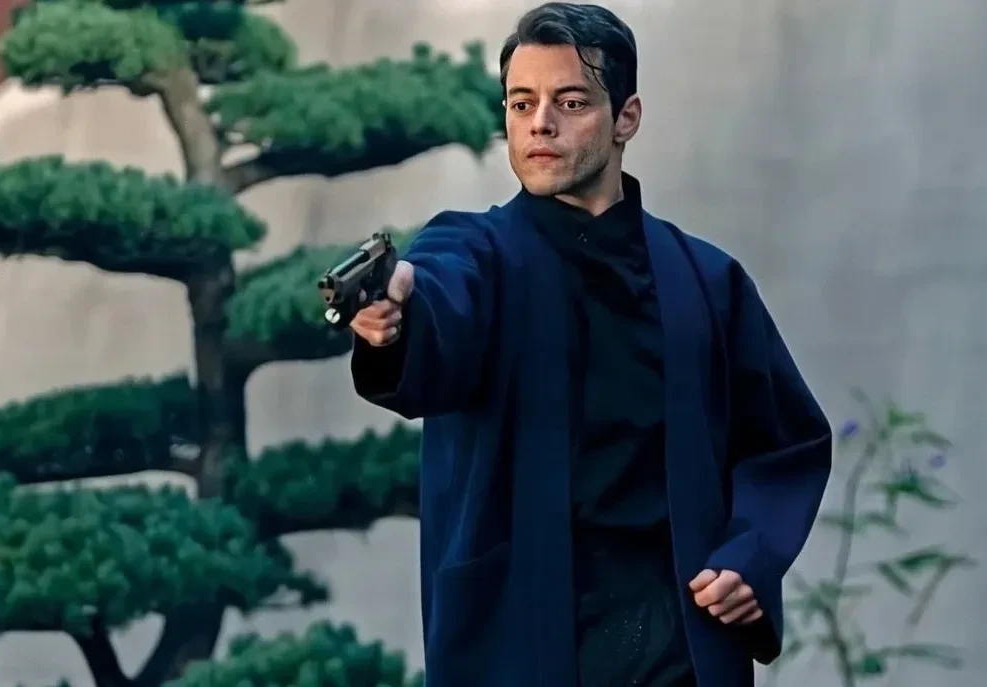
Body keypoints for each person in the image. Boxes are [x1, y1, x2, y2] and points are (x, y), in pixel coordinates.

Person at [347, 3, 832, 686]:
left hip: (677, 632)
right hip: (523, 631)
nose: (539, 123)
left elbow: (784, 443)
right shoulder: (475, 251)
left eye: (570, 102)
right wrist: (398, 316)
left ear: (625, 118)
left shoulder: (705, 280)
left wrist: (748, 558)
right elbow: (438, 297)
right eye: (521, 103)